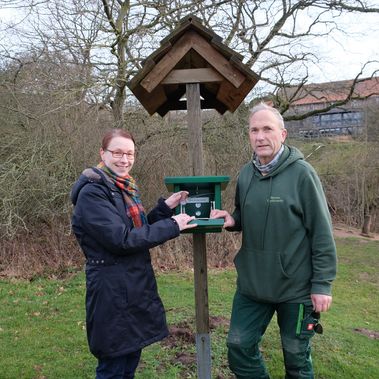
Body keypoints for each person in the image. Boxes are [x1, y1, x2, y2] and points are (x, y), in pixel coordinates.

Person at [211, 103, 337, 379]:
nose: (260, 136)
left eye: (267, 129)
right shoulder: (246, 174)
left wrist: (322, 284)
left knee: (296, 360)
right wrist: (232, 220)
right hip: (252, 286)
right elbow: (245, 215)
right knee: (238, 347)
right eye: (254, 130)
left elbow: (322, 232)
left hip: (296, 288)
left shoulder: (302, 175)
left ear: (283, 134)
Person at [71, 128, 196, 379]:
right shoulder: (93, 193)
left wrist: (164, 209)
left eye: (130, 153)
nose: (124, 159)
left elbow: (136, 230)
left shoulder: (123, 188)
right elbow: (123, 240)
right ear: (102, 153)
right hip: (112, 291)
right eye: (117, 152)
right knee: (113, 367)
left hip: (132, 287)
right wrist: (172, 225)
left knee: (128, 362)